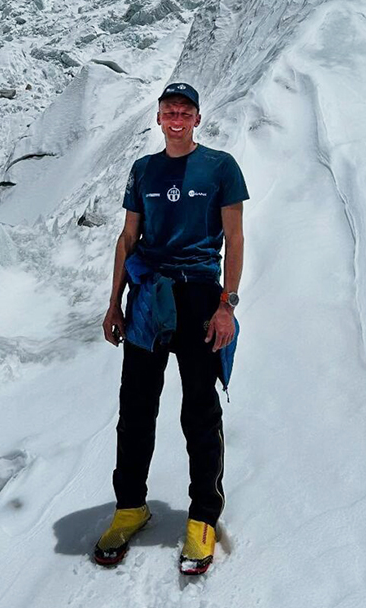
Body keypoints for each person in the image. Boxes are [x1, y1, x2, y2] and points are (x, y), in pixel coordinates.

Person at [94, 82, 249, 575]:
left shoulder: (221, 167)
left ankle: (203, 516)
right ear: (158, 118)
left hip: (201, 296)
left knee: (199, 410)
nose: (176, 117)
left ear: (197, 118)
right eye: (168, 111)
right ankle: (130, 507)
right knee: (135, 407)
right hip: (148, 300)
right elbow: (127, 237)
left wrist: (227, 304)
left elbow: (235, 236)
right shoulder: (143, 170)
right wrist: (114, 303)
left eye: (184, 111)